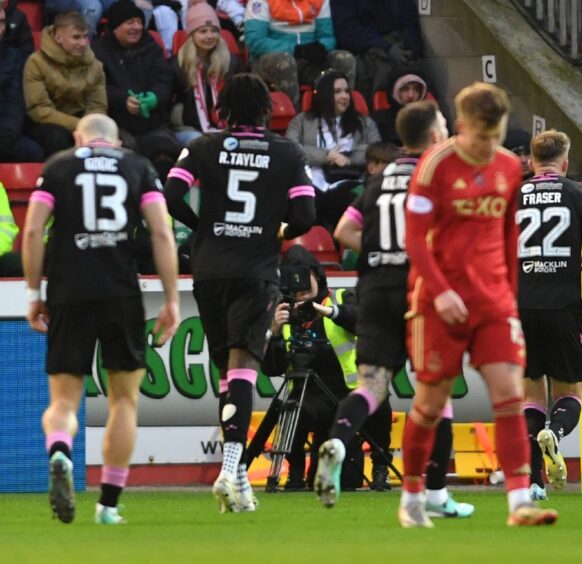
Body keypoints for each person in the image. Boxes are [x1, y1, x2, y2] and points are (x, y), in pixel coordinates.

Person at [398, 82, 557, 527]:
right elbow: (414, 238)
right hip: (438, 303)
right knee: (430, 404)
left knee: (509, 394)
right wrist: (441, 289)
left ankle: (519, 501)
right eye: (482, 137)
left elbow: (508, 234)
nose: (490, 146)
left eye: (497, 137)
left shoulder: (509, 168)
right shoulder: (435, 166)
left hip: (493, 302)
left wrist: (510, 295)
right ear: (461, 125)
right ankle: (412, 496)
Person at [163, 73, 317, 513]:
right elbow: (306, 214)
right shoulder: (287, 152)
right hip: (255, 269)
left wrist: (202, 231)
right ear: (267, 109)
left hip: (210, 270)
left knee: (227, 378)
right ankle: (232, 468)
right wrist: (278, 230)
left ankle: (239, 482)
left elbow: (171, 194)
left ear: (223, 109)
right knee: (244, 370)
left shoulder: (203, 146)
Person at [317, 100, 474, 518]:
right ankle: (437, 495)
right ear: (434, 135)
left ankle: (338, 438)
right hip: (420, 291)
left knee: (370, 386)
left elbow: (343, 231)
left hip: (373, 289)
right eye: (442, 124)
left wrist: (381, 253)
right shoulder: (436, 176)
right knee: (435, 393)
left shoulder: (378, 180)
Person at [21, 113, 179, 524]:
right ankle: (108, 506)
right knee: (124, 400)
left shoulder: (58, 166)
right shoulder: (138, 166)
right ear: (116, 139)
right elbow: (162, 233)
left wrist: (34, 293)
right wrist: (172, 300)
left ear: (79, 138)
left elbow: (34, 231)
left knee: (62, 400)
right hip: (120, 290)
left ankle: (59, 449)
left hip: (69, 291)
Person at [515, 129, 582, 501]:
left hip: (521, 304)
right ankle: (554, 434)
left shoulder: (514, 196)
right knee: (570, 391)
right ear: (565, 162)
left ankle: (533, 483)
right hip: (563, 305)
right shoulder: (580, 195)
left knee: (530, 394)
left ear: (531, 162)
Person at [253, 245, 366, 491]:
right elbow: (272, 369)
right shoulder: (282, 313)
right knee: (294, 409)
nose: (301, 292)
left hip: (343, 394)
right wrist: (273, 334)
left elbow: (366, 323)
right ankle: (294, 471)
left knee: (346, 482)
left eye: (305, 282)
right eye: (295, 287)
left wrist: (332, 313)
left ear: (318, 276)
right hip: (305, 396)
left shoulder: (340, 298)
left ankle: (375, 468)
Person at [92, 1, 181, 177]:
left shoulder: (151, 48)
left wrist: (154, 97)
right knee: (123, 153)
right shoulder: (98, 51)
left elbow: (164, 81)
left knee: (165, 149)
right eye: (130, 22)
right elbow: (96, 87)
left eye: (139, 22)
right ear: (115, 27)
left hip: (153, 123)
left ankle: (162, 202)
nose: (137, 27)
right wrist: (123, 100)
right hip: (116, 122)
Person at [286, 69, 380, 226]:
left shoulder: (365, 123)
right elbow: (291, 150)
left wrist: (348, 159)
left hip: (350, 184)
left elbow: (376, 151)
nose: (344, 96)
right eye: (337, 92)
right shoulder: (301, 121)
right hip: (312, 185)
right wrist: (326, 156)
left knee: (360, 200)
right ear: (324, 95)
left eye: (346, 91)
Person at [23, 11, 107, 156]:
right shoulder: (36, 62)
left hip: (84, 122)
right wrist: (80, 126)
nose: (83, 43)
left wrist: (90, 127)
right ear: (58, 37)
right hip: (46, 125)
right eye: (76, 37)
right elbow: (39, 110)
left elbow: (98, 105)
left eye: (85, 37)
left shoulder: (95, 65)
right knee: (58, 138)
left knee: (119, 140)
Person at [245, 0, 355, 107]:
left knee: (345, 59)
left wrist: (321, 48)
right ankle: (293, 119)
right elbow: (255, 41)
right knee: (285, 61)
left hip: (308, 59)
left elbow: (327, 37)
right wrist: (297, 50)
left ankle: (342, 117)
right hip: (271, 60)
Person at [170, 1, 244, 146]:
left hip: (226, 128)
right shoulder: (177, 64)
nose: (210, 36)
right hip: (187, 128)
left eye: (214, 31)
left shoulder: (232, 62)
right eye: (203, 31)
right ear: (191, 34)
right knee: (201, 143)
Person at [330, 0, 423, 95]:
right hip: (366, 49)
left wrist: (408, 47)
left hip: (401, 46)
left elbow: (411, 23)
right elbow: (347, 31)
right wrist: (386, 47)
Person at [0, 6, 43, 162]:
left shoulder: (15, 57)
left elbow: (15, 103)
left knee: (34, 152)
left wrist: (6, 137)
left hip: (4, 134)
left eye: (2, 23)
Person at [371, 70, 428, 144]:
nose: (411, 95)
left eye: (416, 90)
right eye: (405, 89)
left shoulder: (429, 119)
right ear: (396, 92)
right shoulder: (379, 120)